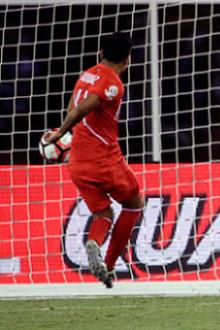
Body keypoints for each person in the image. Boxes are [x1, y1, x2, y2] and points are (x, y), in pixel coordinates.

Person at [43, 32, 143, 288]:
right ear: (127, 60)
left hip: (78, 163)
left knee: (104, 212)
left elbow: (73, 106)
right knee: (134, 202)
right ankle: (108, 267)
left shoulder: (88, 74)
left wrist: (69, 140)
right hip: (104, 162)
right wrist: (61, 133)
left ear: (101, 53)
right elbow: (83, 108)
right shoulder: (114, 85)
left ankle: (94, 243)